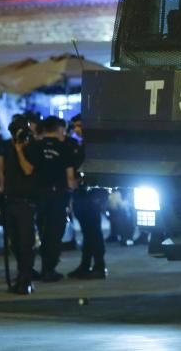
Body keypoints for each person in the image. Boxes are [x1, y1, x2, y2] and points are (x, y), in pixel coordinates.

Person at [32, 116, 78, 283]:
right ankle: (49, 269)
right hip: (58, 195)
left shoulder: (35, 147)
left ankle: (42, 267)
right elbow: (70, 175)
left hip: (39, 195)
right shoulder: (64, 147)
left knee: (42, 231)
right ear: (59, 129)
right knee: (55, 233)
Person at [0, 117, 38, 295]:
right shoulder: (7, 147)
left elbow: (28, 170)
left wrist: (20, 150)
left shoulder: (33, 147)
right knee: (14, 244)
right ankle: (21, 275)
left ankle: (26, 280)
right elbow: (1, 170)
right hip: (10, 200)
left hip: (26, 202)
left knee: (26, 243)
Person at [67, 114, 108, 279]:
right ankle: (86, 265)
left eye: (79, 125)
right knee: (88, 233)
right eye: (75, 126)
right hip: (82, 195)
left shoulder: (94, 147)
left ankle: (98, 266)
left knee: (94, 233)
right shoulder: (81, 145)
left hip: (91, 195)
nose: (77, 129)